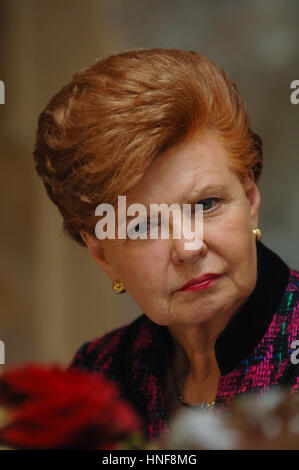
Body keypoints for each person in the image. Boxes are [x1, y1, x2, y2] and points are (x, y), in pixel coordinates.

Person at [33, 48, 299, 441]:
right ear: (102, 255)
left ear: (251, 201)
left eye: (207, 204)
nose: (189, 247)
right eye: (143, 226)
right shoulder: (97, 378)